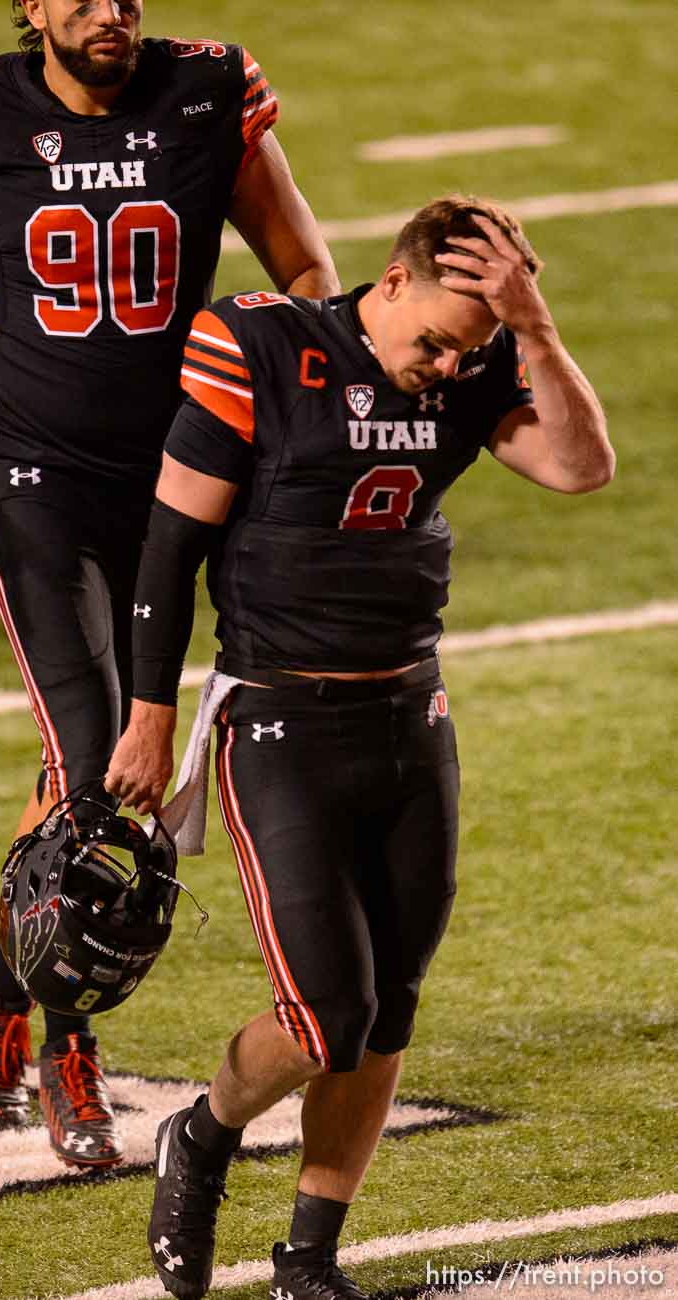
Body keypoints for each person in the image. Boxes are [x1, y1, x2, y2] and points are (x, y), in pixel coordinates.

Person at [103, 195, 614, 1299]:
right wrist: (146, 714)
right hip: (281, 715)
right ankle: (200, 1130)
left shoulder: (479, 369)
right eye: (433, 336)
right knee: (324, 1012)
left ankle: (308, 1257)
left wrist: (533, 335)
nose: (442, 365)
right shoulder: (261, 346)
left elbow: (580, 468)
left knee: (390, 1006)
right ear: (387, 282)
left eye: (465, 348)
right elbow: (169, 543)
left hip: (410, 713)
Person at [0, 0, 338, 1168]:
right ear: (28, 8)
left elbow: (307, 268)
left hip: (175, 480)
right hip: (30, 474)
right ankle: (67, 1051)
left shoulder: (208, 90)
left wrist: (286, 403)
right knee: (96, 765)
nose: (106, 12)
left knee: (113, 764)